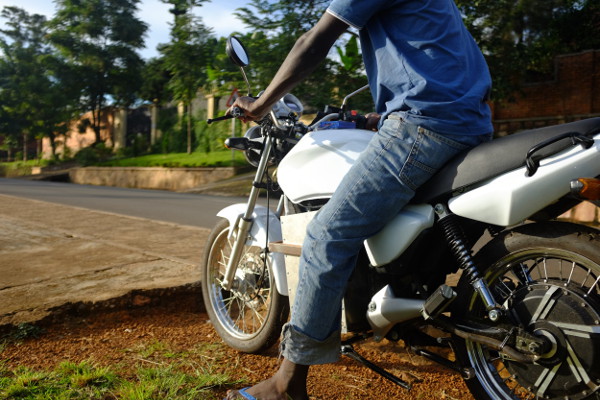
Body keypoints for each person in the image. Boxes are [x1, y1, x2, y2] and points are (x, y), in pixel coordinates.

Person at [226, 0, 493, 399]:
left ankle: (286, 385)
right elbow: (432, 58)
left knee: (326, 235)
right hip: (467, 123)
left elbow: (315, 41)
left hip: (422, 126)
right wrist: (381, 116)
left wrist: (260, 103)